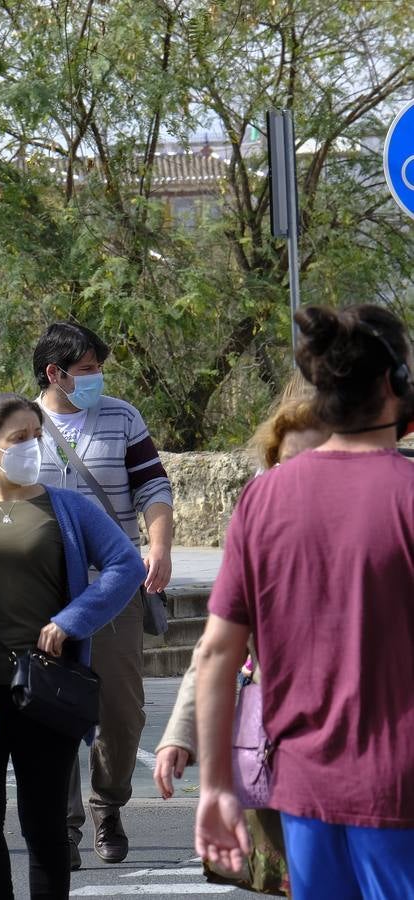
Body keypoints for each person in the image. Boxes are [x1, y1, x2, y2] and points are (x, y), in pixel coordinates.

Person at [195, 305, 414, 898]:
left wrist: (215, 786)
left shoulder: (264, 499)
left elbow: (217, 654)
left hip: (304, 796)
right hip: (401, 796)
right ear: (398, 385)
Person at [0, 392, 143, 899]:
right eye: (20, 439)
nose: (32, 447)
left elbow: (126, 565)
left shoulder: (67, 508)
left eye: (37, 436)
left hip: (45, 691)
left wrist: (73, 620)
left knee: (45, 826)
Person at [154, 387, 329, 894]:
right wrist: (180, 734)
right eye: (286, 466)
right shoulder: (262, 535)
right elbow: (216, 648)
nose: (298, 481)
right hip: (274, 747)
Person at [31, 322, 175, 867]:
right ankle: (64, 825)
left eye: (97, 369)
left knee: (121, 712)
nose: (96, 379)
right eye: (87, 370)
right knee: (52, 709)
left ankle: (108, 804)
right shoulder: (22, 425)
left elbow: (154, 487)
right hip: (44, 592)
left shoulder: (122, 417)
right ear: (55, 373)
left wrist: (158, 546)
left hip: (113, 587)